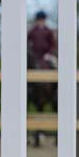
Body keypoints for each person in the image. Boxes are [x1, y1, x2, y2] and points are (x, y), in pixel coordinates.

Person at [26, 10, 58, 145]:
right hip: (34, 57)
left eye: (42, 19)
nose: (40, 21)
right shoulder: (32, 31)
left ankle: (57, 92)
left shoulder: (48, 31)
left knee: (56, 67)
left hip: (46, 56)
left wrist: (48, 54)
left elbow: (53, 45)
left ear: (44, 20)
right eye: (39, 19)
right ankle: (27, 90)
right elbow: (27, 43)